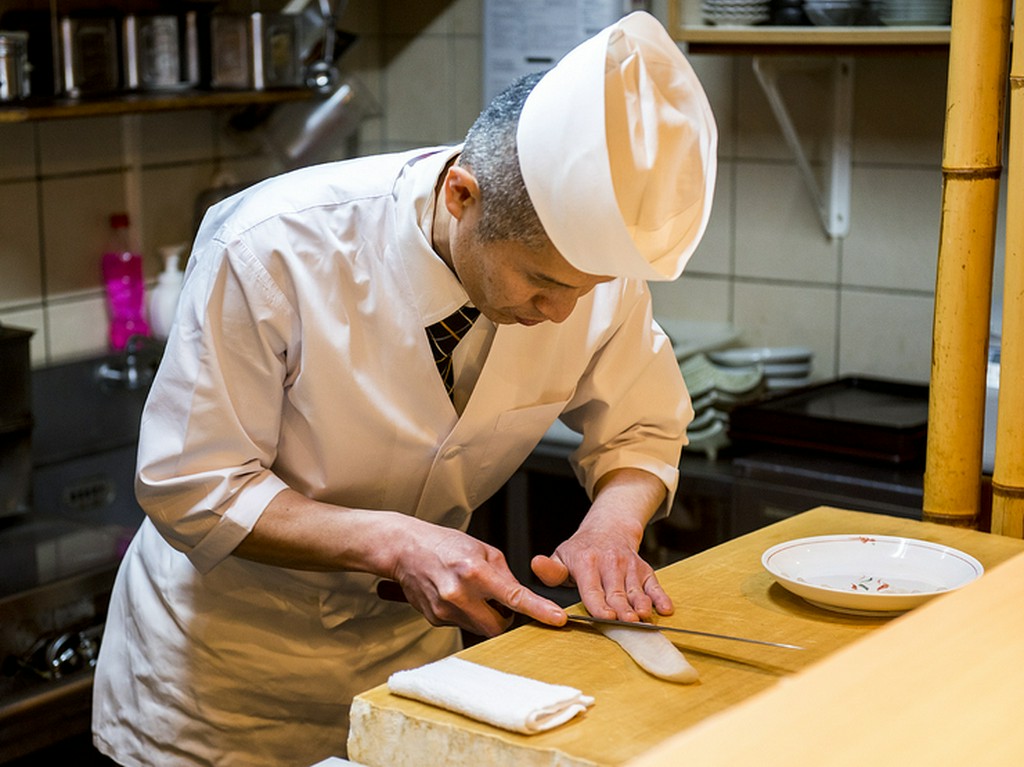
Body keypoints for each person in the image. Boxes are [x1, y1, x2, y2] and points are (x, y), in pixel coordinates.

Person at [92, 11, 717, 767]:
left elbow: (642, 427)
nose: (563, 312)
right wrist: (393, 541)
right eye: (543, 282)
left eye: (587, 289)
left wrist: (612, 529)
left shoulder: (588, 275)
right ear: (462, 195)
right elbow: (189, 482)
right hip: (222, 687)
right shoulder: (274, 247)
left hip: (411, 677)